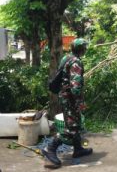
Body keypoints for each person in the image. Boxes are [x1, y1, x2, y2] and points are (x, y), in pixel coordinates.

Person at [43, 38, 93, 169]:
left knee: (74, 123)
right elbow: (75, 87)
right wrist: (80, 102)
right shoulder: (76, 62)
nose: (85, 49)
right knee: (72, 127)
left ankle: (78, 149)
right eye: (85, 47)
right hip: (71, 98)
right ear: (82, 49)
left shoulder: (67, 57)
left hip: (64, 96)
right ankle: (50, 148)